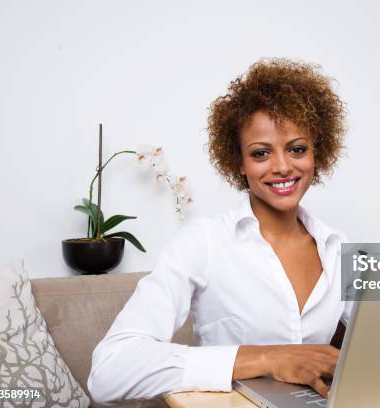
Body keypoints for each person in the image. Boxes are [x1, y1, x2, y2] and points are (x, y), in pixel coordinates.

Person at [88, 58, 350, 405]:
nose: (283, 166)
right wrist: (268, 358)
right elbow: (108, 372)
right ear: (239, 162)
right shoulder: (204, 243)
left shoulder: (338, 248)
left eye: (297, 149)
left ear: (317, 152)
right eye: (261, 153)